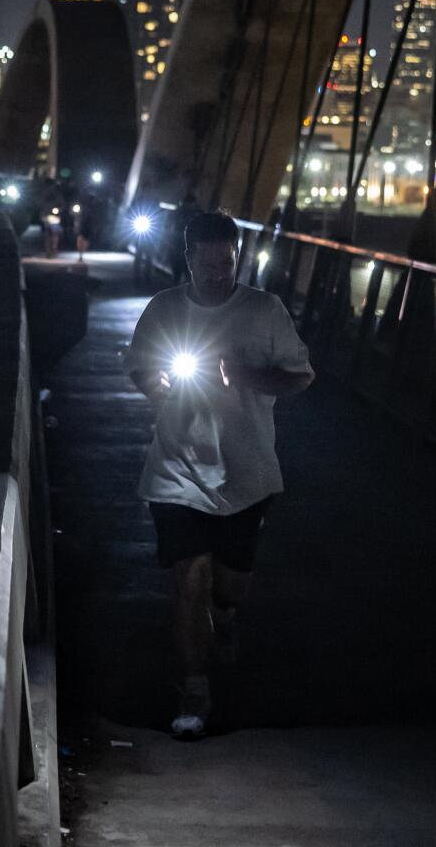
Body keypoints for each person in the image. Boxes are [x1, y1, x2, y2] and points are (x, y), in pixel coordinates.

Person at [123, 211, 314, 739]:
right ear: (187, 260)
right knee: (188, 580)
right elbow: (138, 365)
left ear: (237, 258)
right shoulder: (164, 310)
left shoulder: (263, 310)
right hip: (176, 470)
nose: (217, 272)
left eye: (226, 262)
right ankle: (193, 691)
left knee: (229, 585)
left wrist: (244, 374)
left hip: (246, 473)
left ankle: (226, 618)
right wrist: (157, 384)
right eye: (206, 263)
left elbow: (301, 376)